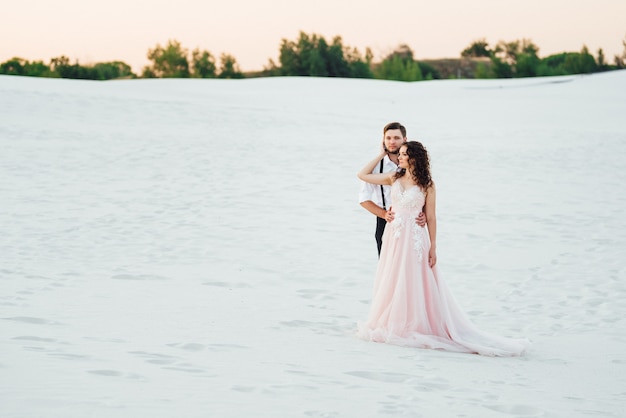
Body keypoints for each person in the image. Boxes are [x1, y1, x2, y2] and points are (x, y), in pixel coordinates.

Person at [356, 141, 529, 356]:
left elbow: (430, 217)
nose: (398, 158)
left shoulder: (427, 184)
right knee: (393, 276)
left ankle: (417, 322)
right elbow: (362, 175)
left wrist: (433, 246)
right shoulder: (394, 177)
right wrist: (380, 155)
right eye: (398, 154)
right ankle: (394, 319)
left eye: (402, 154)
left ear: (414, 158)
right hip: (395, 235)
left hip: (416, 237)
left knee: (414, 277)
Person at [359, 122, 425, 256]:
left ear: (405, 140)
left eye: (396, 138)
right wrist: (383, 214)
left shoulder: (415, 167)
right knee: (387, 271)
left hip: (413, 223)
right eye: (388, 138)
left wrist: (423, 213)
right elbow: (364, 199)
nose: (392, 142)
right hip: (386, 222)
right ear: (383, 140)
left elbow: (424, 192)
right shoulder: (377, 167)